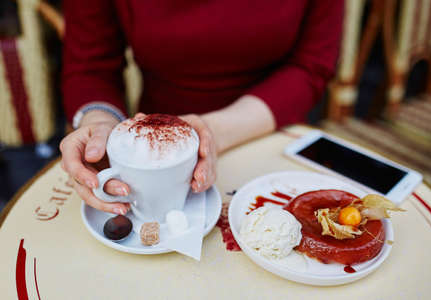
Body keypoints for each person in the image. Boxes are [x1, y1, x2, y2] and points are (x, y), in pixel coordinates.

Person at [60, 0, 344, 215]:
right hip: (152, 154)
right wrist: (100, 124)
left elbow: (312, 64)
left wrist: (212, 133)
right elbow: (90, 66)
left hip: (269, 131)